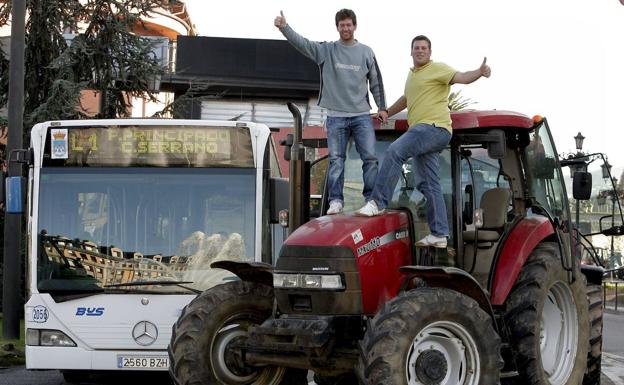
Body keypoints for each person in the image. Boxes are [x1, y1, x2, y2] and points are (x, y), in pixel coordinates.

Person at [356, 35, 491, 248]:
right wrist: (386, 112)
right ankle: (439, 233)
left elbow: (462, 77)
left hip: (433, 127)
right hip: (425, 133)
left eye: (424, 48)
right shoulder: (412, 76)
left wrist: (479, 73)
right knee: (428, 184)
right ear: (411, 52)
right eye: (416, 48)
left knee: (395, 151)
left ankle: (378, 202)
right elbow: (406, 100)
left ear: (429, 52)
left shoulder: (438, 68)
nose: (420, 51)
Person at [274, 9, 388, 214]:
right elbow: (303, 44)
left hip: (361, 115)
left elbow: (376, 82)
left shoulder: (366, 52)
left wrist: (382, 107)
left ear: (355, 26)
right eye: (342, 25)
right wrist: (285, 28)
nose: (345, 28)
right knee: (336, 160)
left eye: (349, 24)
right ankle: (336, 201)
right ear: (337, 27)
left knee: (370, 158)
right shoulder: (327, 50)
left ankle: (372, 200)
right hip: (336, 116)